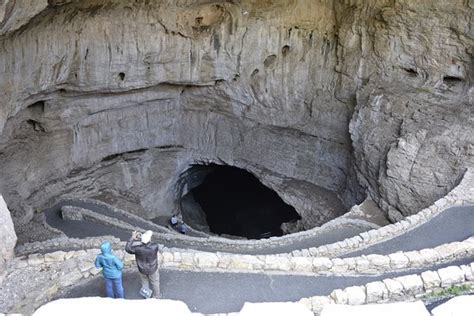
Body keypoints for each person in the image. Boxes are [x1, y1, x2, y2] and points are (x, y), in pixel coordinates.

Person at [125, 230, 160, 298]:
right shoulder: (155, 246)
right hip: (153, 269)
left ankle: (147, 296)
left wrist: (133, 238)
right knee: (155, 282)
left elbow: (128, 248)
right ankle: (157, 296)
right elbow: (150, 242)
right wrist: (143, 238)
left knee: (144, 282)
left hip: (142, 269)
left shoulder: (137, 249)